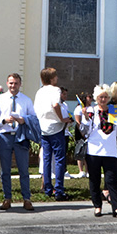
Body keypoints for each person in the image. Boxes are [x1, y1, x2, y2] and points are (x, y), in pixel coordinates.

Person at [80, 84, 117, 219]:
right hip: (94, 150)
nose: (103, 99)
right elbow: (86, 131)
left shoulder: (114, 110)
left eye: (106, 97)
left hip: (110, 150)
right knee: (94, 180)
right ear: (96, 98)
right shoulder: (91, 111)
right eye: (101, 97)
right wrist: (86, 118)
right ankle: (97, 206)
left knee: (112, 180)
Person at [0, 73, 37, 211]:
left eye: (16, 83)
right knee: (5, 169)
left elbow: (33, 118)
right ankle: (7, 198)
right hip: (5, 136)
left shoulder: (26, 100)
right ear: (7, 84)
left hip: (20, 136)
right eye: (11, 83)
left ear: (20, 84)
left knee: (23, 169)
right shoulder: (0, 100)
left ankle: (26, 199)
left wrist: (24, 120)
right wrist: (4, 120)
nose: (13, 86)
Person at [34, 67, 71, 201]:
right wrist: (62, 118)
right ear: (51, 78)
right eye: (55, 76)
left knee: (47, 158)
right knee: (60, 159)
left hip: (43, 127)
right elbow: (55, 104)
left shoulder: (39, 91)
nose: (57, 78)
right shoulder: (56, 90)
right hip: (56, 127)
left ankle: (48, 188)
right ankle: (59, 190)